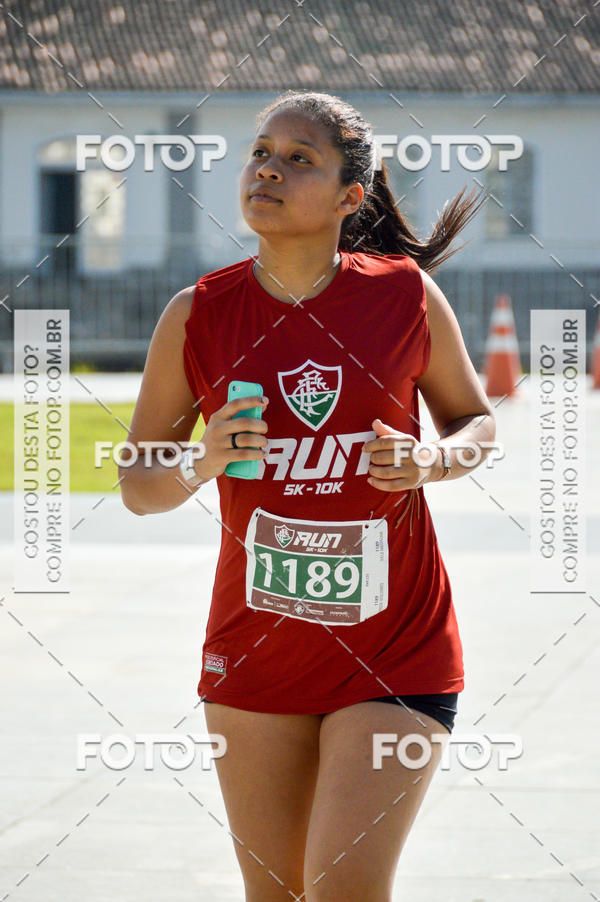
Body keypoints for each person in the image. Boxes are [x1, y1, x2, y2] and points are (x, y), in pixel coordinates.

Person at [120, 90, 496, 902]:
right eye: (261, 152)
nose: (268, 170)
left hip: (395, 652)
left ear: (350, 197)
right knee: (276, 897)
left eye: (300, 159)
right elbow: (138, 485)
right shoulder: (198, 314)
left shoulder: (402, 296)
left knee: (341, 887)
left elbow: (476, 423)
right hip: (256, 656)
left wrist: (431, 460)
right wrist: (201, 461)